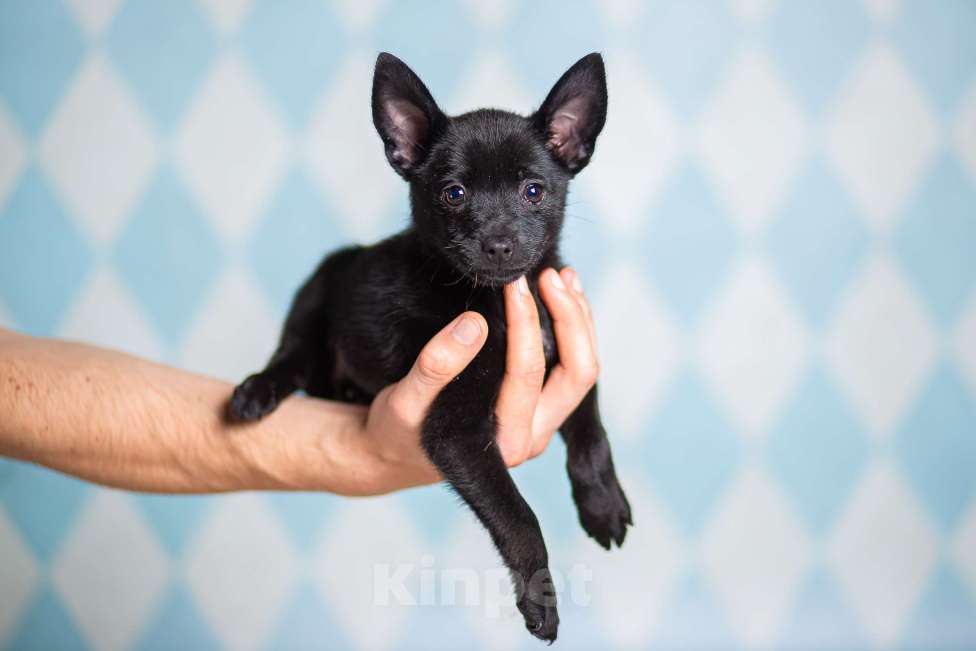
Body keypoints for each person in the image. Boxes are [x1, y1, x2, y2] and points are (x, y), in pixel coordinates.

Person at [0, 268, 600, 496]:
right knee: (339, 272)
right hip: (340, 357)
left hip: (363, 394)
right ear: (404, 150)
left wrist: (591, 459)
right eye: (457, 192)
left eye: (530, 193)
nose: (498, 230)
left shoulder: (542, 297)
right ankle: (289, 370)